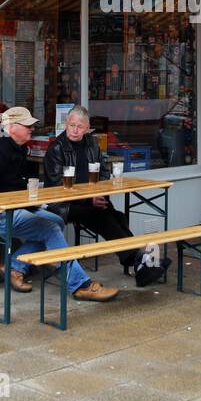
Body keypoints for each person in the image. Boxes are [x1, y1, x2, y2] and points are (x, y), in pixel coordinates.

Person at [0, 106, 117, 302]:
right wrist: (18, 202)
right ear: (11, 127)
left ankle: (14, 266)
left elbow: (13, 183)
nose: (32, 129)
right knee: (49, 230)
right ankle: (80, 285)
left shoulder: (15, 146)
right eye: (27, 125)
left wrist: (27, 201)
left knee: (56, 221)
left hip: (11, 209)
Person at [43, 106, 169, 287]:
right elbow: (56, 188)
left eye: (80, 126)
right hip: (64, 205)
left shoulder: (92, 143)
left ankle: (141, 262)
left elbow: (103, 172)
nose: (75, 130)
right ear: (66, 124)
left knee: (117, 216)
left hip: (90, 199)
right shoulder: (56, 148)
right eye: (72, 125)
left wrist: (100, 194)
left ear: (87, 128)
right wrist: (88, 199)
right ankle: (141, 262)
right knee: (102, 216)